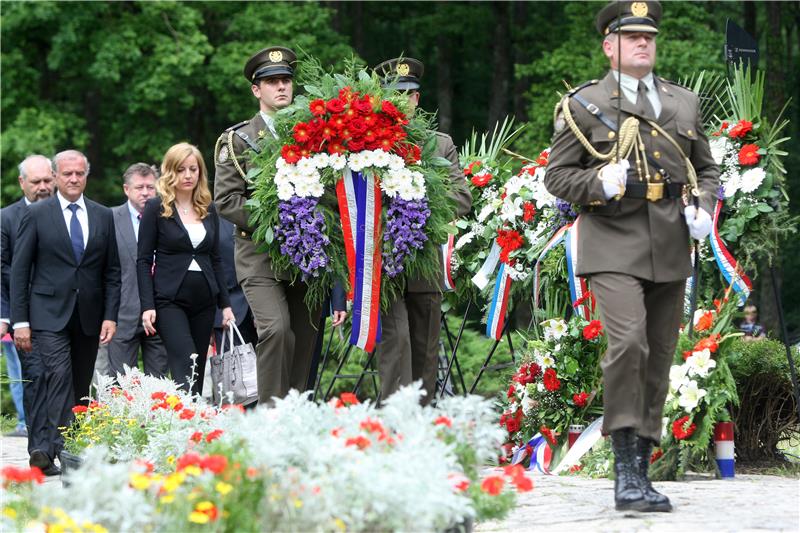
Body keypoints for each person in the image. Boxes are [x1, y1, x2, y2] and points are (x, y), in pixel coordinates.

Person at [544, 1, 720, 512]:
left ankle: (641, 471)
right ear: (609, 45)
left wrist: (704, 207)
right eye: (631, 37)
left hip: (669, 238)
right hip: (610, 237)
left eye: (649, 36)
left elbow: (705, 169)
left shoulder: (682, 103)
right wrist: (597, 182)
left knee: (659, 354)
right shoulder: (583, 103)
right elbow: (557, 177)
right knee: (629, 343)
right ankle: (624, 469)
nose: (642, 43)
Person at [214, 46, 324, 404]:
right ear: (256, 90)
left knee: (304, 338)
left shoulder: (311, 134)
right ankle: (269, 417)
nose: (281, 87)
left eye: (286, 80)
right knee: (276, 331)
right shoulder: (237, 139)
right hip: (258, 252)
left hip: (305, 253)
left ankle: (293, 413)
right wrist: (277, 220)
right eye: (272, 81)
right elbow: (226, 200)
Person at [11, 150, 121, 476]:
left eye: (79, 174)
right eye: (67, 174)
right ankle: (65, 449)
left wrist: (110, 315)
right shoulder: (38, 214)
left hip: (89, 314)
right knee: (58, 377)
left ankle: (64, 445)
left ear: (86, 176)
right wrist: (20, 321)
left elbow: (112, 271)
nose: (73, 179)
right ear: (56, 176)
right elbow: (20, 271)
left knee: (80, 384)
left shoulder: (103, 215)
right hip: (47, 314)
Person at [372, 57, 472, 405]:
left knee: (425, 347)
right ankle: (394, 424)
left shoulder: (439, 144)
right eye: (395, 96)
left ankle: (423, 424)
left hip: (423, 256)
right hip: (382, 260)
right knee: (395, 342)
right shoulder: (369, 145)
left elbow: (461, 197)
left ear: (417, 98)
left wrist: (416, 207)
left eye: (408, 95)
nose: (403, 102)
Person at [138, 143, 234, 395]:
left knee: (198, 367)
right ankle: (183, 422)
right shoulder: (156, 208)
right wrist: (147, 305)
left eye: (194, 169)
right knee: (186, 360)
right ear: (170, 172)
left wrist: (225, 305)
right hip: (170, 301)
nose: (188, 175)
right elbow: (143, 260)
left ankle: (192, 425)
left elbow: (216, 259)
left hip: (204, 300)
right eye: (181, 169)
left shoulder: (208, 208)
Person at [1, 155, 55, 441]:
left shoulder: (68, 213)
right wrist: (5, 316)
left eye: (48, 180)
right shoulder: (6, 218)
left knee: (63, 381)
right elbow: (1, 268)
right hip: (25, 316)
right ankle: (41, 447)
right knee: (34, 379)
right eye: (36, 182)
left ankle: (63, 442)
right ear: (22, 183)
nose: (44, 187)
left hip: (63, 312)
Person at [104, 163, 169, 378]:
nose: (145, 193)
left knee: (160, 387)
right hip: (122, 315)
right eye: (139, 187)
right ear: (126, 189)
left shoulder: (167, 217)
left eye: (150, 187)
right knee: (122, 387)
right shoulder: (109, 219)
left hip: (161, 312)